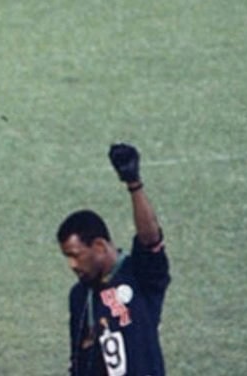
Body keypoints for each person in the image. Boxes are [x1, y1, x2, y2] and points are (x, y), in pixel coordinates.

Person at [56, 143, 171, 376]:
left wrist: (134, 185)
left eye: (75, 256)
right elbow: (77, 362)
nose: (72, 265)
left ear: (98, 246)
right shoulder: (79, 296)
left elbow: (150, 239)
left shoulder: (139, 274)